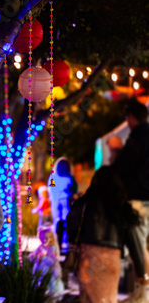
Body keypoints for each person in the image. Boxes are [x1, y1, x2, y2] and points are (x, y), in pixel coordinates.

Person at [67, 166, 146, 303]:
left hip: (88, 259)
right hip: (111, 260)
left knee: (88, 299)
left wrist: (75, 242)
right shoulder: (121, 207)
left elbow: (71, 223)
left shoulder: (84, 203)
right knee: (108, 299)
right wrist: (141, 272)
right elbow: (134, 240)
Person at [113, 99, 149, 300]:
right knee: (141, 244)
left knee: (138, 245)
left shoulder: (138, 137)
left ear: (132, 117)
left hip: (138, 198)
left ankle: (142, 293)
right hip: (146, 199)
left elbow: (124, 167)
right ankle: (140, 291)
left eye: (127, 117)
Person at [48, 157, 77, 250]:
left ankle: (56, 241)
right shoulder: (70, 178)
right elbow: (74, 190)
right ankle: (65, 241)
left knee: (56, 221)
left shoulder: (53, 176)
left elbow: (50, 189)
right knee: (66, 221)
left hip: (55, 201)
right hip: (66, 200)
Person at [28, 224, 64, 300]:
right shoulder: (40, 247)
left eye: (46, 238)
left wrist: (44, 258)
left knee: (51, 289)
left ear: (51, 238)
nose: (44, 240)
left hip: (50, 271)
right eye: (42, 238)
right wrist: (33, 256)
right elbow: (35, 255)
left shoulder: (52, 248)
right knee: (40, 287)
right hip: (40, 270)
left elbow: (54, 260)